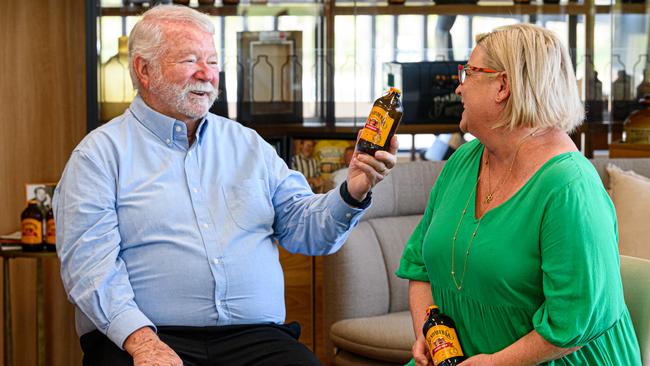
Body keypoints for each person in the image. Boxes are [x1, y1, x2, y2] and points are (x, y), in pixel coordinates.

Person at [53, 5, 397, 366]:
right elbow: (90, 268)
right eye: (190, 60)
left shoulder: (248, 145)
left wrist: (353, 189)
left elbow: (307, 232)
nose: (207, 74)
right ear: (144, 69)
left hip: (256, 338)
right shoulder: (98, 156)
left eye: (213, 62)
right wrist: (142, 343)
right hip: (145, 336)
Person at [396, 24, 641, 366]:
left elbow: (571, 323)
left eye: (468, 72)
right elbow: (420, 267)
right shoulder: (464, 160)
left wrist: (495, 363)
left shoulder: (570, 187)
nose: (459, 86)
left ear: (503, 86)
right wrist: (427, 329)